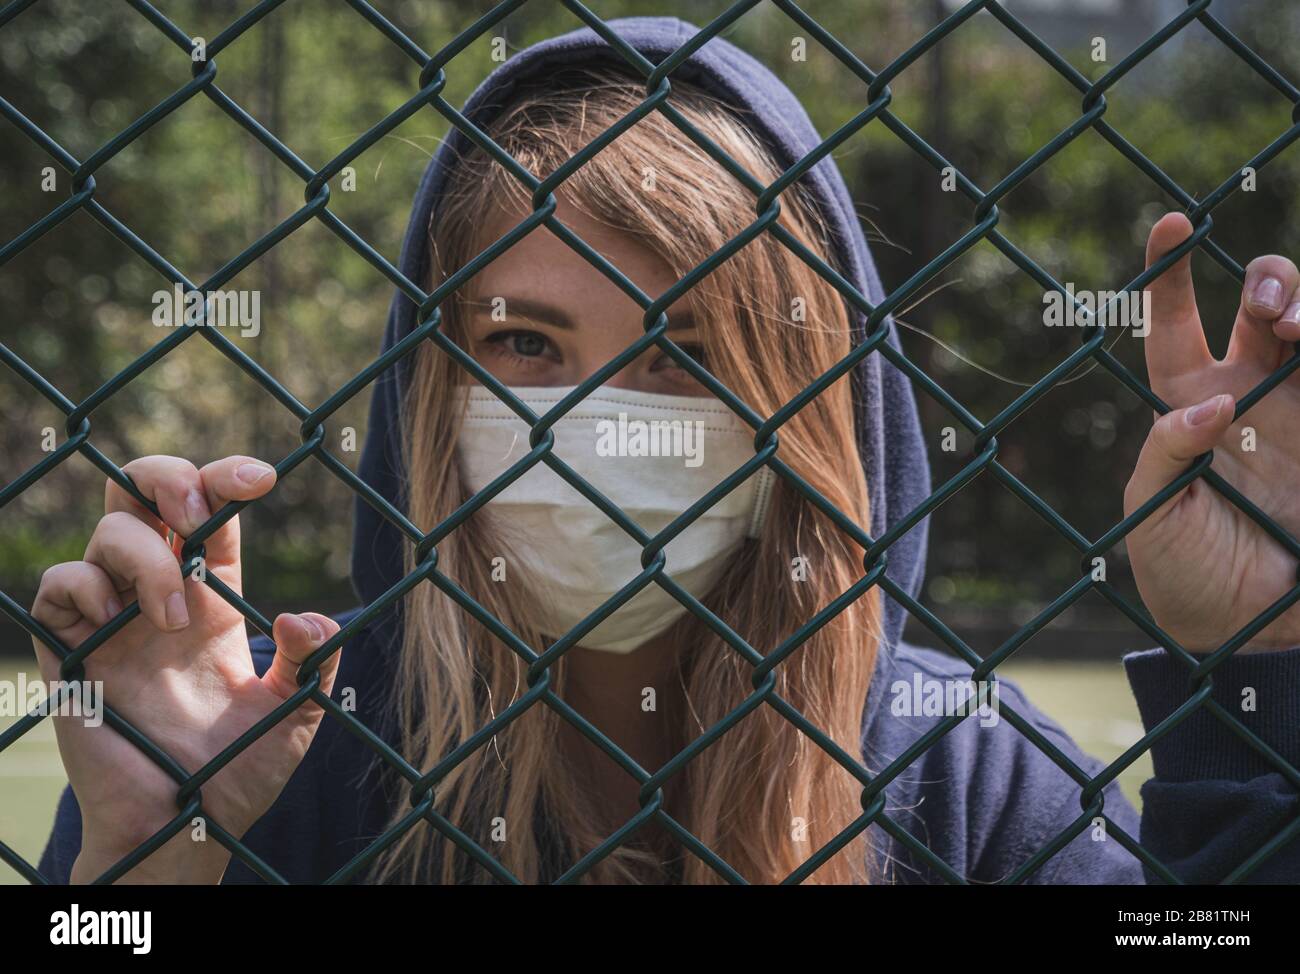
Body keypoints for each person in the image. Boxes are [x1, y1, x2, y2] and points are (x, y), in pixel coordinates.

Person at [33, 17, 1300, 885]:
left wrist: (1259, 674)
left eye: (686, 350)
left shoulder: (955, 764)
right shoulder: (287, 741)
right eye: (525, 340)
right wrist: (151, 869)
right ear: (429, 389)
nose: (604, 421)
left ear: (804, 403)